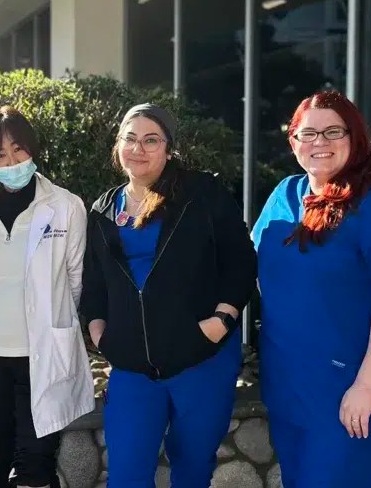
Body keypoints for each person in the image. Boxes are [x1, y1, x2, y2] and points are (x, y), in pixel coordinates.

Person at [81, 104, 257, 487]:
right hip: (133, 367)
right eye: (130, 139)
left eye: (151, 140)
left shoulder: (201, 194)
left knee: (192, 471)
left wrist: (219, 322)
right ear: (118, 145)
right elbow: (93, 284)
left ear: (168, 148)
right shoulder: (103, 209)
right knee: (126, 476)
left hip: (202, 360)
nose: (138, 149)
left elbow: (241, 261)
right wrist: (101, 335)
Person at [252, 90, 371, 488]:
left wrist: (366, 385)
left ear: (355, 136)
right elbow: (253, 269)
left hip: (354, 393)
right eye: (307, 134)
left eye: (333, 132)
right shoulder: (285, 193)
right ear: (293, 141)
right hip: (289, 385)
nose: (319, 142)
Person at [0, 106, 94, 488]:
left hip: (41, 353)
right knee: (1, 468)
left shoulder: (66, 206)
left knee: (35, 470)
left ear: (32, 149)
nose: (12, 162)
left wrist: (54, 318)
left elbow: (75, 278)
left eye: (19, 149)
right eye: (0, 154)